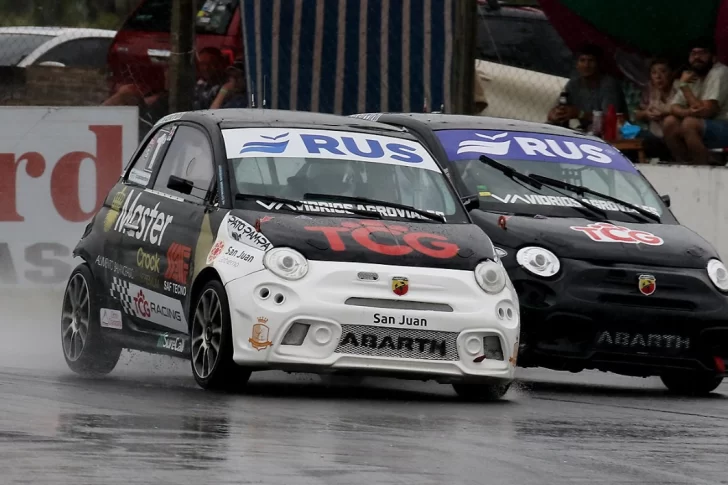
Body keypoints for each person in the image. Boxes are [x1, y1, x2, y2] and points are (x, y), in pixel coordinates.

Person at [662, 38, 728, 165]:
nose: (697, 57)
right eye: (693, 54)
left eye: (702, 53)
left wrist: (684, 86)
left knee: (689, 124)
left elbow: (707, 111)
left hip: (724, 124)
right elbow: (673, 107)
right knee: (669, 122)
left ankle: (702, 169)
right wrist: (687, 111)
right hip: (706, 127)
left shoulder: (720, 72)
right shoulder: (691, 75)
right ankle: (686, 166)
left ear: (713, 57)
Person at [547, 44, 627, 130]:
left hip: (610, 132)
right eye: (582, 60)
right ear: (577, 64)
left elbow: (610, 120)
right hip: (585, 130)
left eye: (591, 61)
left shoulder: (609, 85)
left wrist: (580, 114)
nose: (586, 65)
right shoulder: (573, 84)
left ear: (598, 64)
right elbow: (560, 106)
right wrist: (555, 114)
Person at [633, 58, 678, 161]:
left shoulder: (678, 87)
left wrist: (665, 112)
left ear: (671, 73)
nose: (658, 77)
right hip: (655, 137)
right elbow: (637, 113)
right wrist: (646, 113)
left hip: (675, 139)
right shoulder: (650, 90)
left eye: (663, 72)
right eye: (654, 73)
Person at [192, 47, 228, 111]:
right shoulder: (199, 87)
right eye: (202, 64)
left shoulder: (229, 86)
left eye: (211, 63)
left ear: (220, 64)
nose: (206, 68)